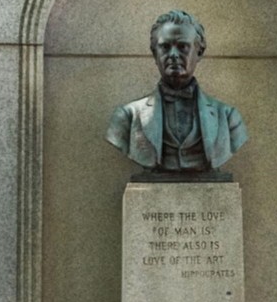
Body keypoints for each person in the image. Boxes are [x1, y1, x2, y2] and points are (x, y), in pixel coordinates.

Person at [106, 10, 248, 179]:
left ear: (199, 52)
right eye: (165, 47)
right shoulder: (126, 117)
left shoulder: (228, 117)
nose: (173, 55)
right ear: (154, 53)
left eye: (182, 47)